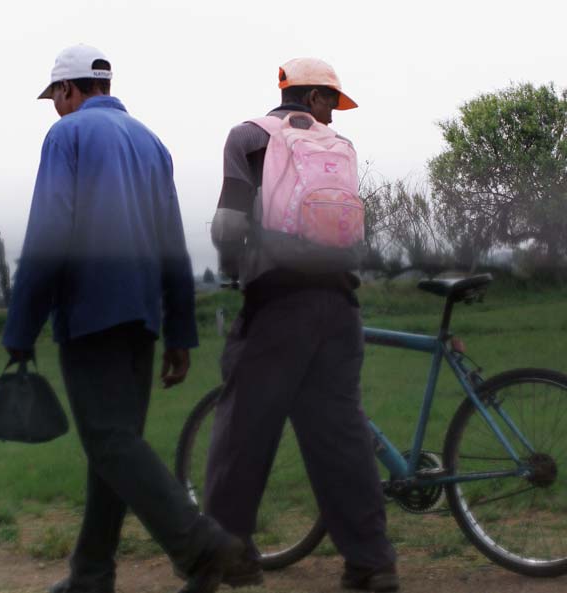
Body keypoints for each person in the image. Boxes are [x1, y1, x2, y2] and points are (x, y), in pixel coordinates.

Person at [2, 44, 242, 593]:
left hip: (91, 313)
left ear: (68, 90)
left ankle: (202, 546)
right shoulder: (152, 143)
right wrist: (179, 331)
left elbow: (50, 232)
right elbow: (172, 244)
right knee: (112, 446)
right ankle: (90, 574)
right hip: (143, 318)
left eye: (54, 97)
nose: (54, 108)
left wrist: (20, 328)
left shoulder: (67, 137)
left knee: (110, 441)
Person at [205, 57, 399, 592]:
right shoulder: (341, 151)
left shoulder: (248, 137)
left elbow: (230, 221)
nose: (333, 117)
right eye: (331, 103)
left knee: (243, 428)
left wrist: (229, 273)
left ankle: (228, 554)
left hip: (278, 302)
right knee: (340, 435)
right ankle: (371, 562)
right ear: (313, 98)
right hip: (338, 305)